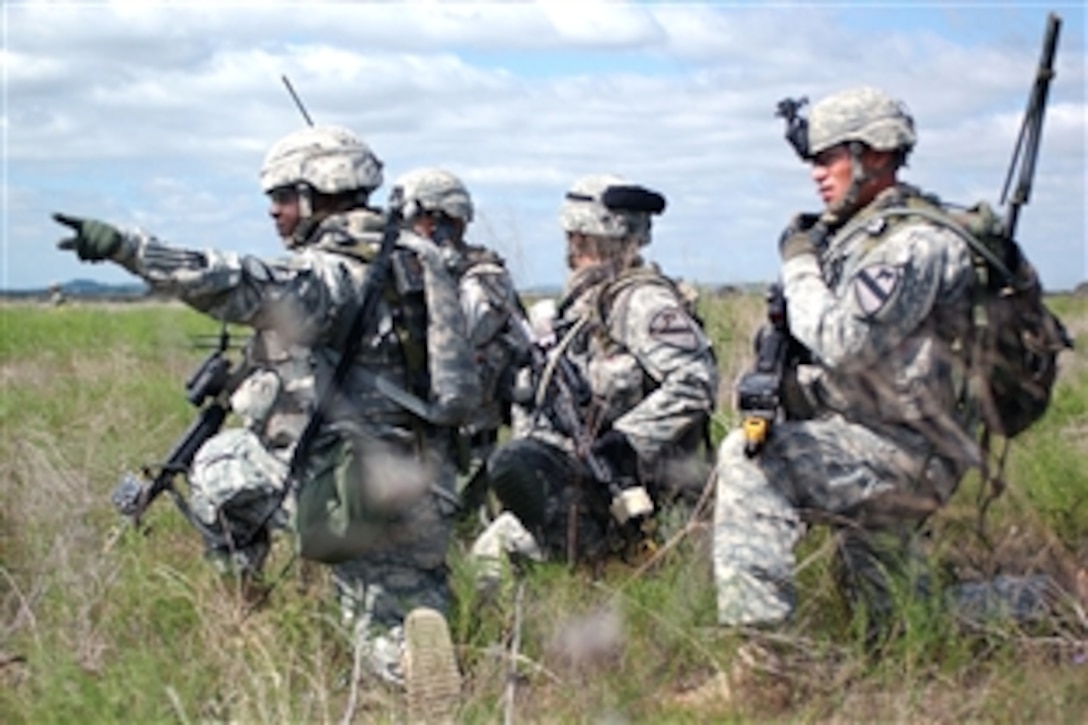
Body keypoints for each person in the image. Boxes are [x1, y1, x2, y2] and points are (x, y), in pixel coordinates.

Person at [53, 124, 478, 717]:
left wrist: (130, 249)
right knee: (396, 603)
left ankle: (242, 607)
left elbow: (235, 282)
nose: (274, 211)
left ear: (316, 194)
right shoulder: (422, 262)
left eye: (283, 195)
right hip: (427, 479)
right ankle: (415, 644)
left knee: (216, 468)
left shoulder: (333, 274)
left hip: (347, 487)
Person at [711, 86, 1058, 641]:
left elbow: (843, 339)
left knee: (751, 458)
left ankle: (767, 662)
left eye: (828, 158)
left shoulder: (915, 244)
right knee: (899, 622)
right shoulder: (862, 236)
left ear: (872, 155)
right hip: (874, 438)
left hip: (905, 453)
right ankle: (1044, 599)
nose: (817, 174)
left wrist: (799, 265)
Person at [470, 173, 719, 580]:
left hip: (644, 493)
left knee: (491, 561)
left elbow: (695, 380)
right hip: (587, 483)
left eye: (575, 236)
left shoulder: (641, 300)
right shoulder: (587, 306)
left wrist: (628, 440)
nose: (570, 247)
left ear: (585, 238)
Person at [390, 167, 532, 518]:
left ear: (437, 220)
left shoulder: (482, 279)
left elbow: (459, 340)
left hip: (468, 442)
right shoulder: (409, 272)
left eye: (414, 219)